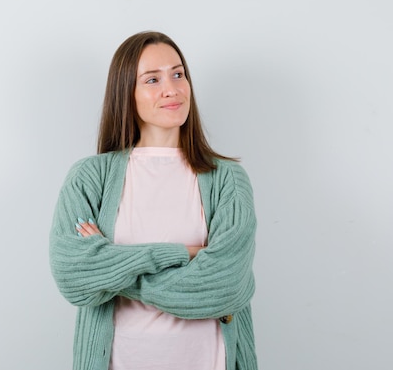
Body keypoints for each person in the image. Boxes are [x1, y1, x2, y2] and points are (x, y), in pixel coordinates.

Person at [49, 31, 258, 370]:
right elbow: (74, 276)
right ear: (125, 93)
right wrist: (182, 254)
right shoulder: (90, 177)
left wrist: (113, 271)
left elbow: (225, 284)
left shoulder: (227, 178)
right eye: (152, 79)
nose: (171, 89)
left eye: (178, 74)